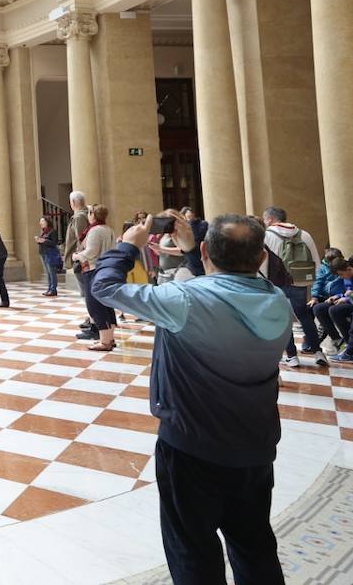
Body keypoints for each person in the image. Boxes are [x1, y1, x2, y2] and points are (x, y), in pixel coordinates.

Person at [91, 213, 291, 585]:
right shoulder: (277, 301)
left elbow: (104, 287)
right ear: (262, 256)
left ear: (204, 250)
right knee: (254, 545)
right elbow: (227, 288)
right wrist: (196, 255)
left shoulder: (183, 300)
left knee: (193, 551)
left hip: (192, 448)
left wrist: (129, 246)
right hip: (254, 446)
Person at [261, 206, 322, 368]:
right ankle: (318, 351)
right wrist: (314, 281)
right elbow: (315, 259)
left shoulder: (266, 236)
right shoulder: (304, 234)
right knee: (304, 316)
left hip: (277, 282)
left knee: (283, 318)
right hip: (300, 281)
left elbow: (263, 262)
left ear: (270, 219)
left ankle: (292, 355)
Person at [73, 205, 117, 350]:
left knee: (95, 305)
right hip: (105, 268)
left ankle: (105, 342)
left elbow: (91, 252)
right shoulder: (108, 229)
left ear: (93, 215)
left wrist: (77, 256)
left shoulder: (95, 230)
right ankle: (109, 339)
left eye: (90, 212)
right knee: (106, 304)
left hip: (93, 269)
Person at [62, 191, 95, 339]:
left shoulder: (80, 216)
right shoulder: (85, 214)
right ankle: (92, 318)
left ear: (73, 203)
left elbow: (81, 238)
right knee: (87, 292)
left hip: (82, 260)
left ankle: (94, 323)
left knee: (86, 293)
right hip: (84, 260)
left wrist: (77, 257)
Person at [36, 217, 60, 296]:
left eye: (42, 221)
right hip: (44, 253)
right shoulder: (44, 232)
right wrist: (39, 240)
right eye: (40, 221)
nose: (41, 223)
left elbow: (54, 243)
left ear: (47, 222)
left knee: (51, 272)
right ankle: (49, 288)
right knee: (48, 272)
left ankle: (53, 289)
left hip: (50, 254)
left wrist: (44, 240)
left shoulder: (52, 231)